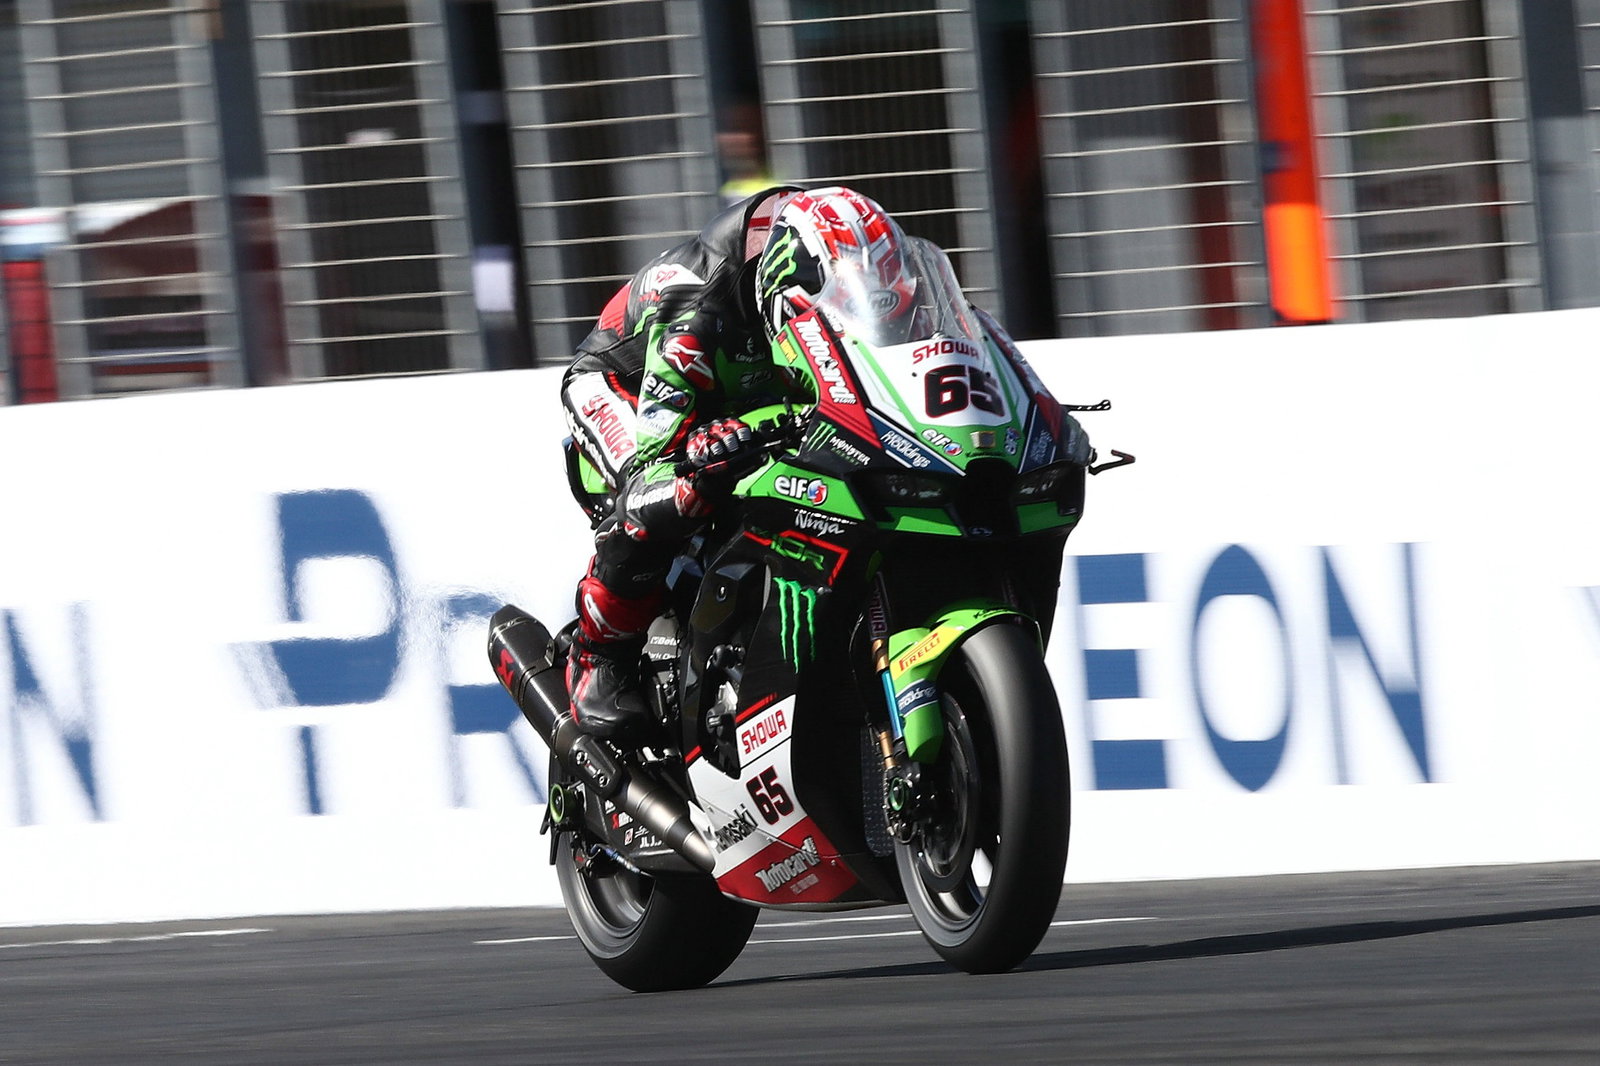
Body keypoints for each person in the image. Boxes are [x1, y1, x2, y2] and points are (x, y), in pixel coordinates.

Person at [558, 184, 918, 744]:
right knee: (671, 491)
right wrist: (708, 445)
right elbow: (660, 448)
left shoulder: (851, 266)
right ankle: (598, 659)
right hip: (626, 388)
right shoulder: (703, 305)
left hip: (743, 398)